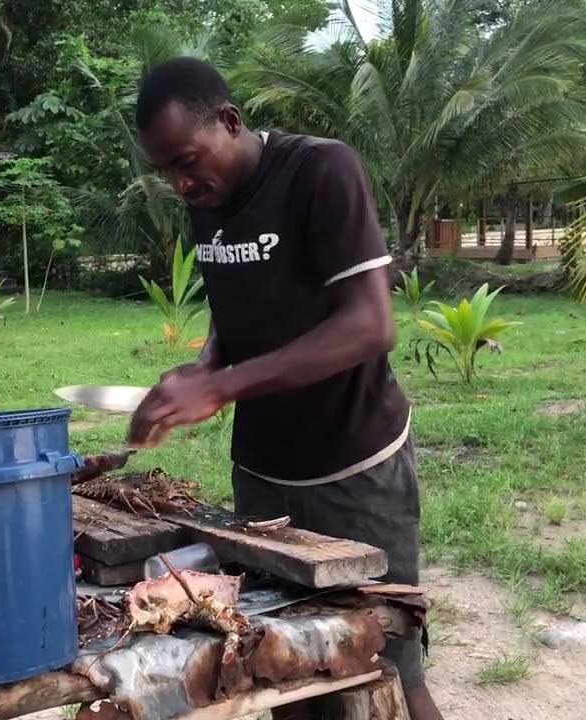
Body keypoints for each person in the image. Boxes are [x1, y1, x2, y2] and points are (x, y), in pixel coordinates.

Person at [124, 56, 444, 720]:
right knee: (275, 669)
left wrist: (225, 387)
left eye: (187, 159)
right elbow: (235, 311)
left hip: (354, 466)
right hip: (264, 478)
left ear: (231, 121)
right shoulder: (206, 197)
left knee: (384, 667)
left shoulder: (320, 170)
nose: (180, 182)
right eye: (167, 171)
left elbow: (369, 324)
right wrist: (207, 367)